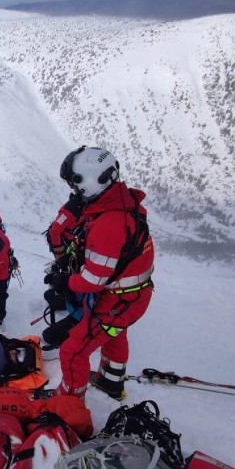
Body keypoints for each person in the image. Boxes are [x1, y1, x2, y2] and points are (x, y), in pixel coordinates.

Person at [51, 146, 154, 400]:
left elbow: (93, 280)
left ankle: (69, 404)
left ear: (89, 180)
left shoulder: (109, 222)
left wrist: (66, 281)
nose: (74, 191)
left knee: (73, 351)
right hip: (131, 297)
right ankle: (111, 381)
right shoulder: (118, 202)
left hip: (119, 301)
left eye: (75, 184)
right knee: (113, 334)